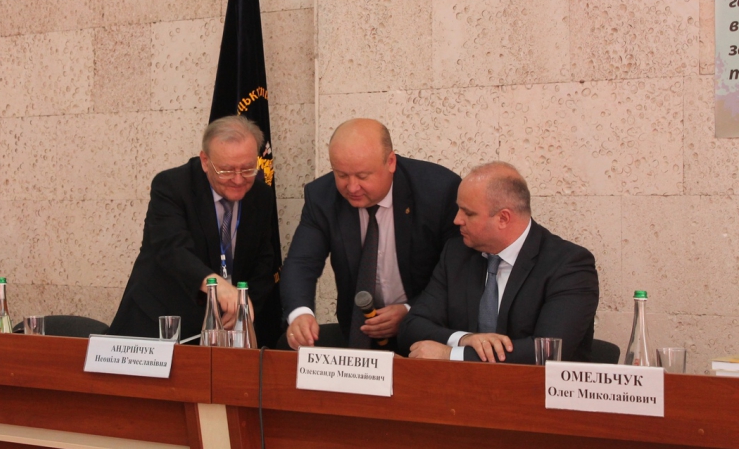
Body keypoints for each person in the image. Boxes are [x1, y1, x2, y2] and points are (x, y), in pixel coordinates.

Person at [280, 118, 461, 351]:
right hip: (359, 333)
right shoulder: (322, 197)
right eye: (341, 175)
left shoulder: (439, 191)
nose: (352, 187)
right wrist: (300, 313)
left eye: (363, 176)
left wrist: (411, 310)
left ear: (391, 162)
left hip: (427, 333)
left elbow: (457, 274)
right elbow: (301, 262)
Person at [399, 162, 599, 363]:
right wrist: (464, 339)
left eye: (468, 213)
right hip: (458, 383)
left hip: (532, 383)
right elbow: (412, 326)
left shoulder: (569, 265)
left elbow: (547, 352)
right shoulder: (456, 254)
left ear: (503, 218)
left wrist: (451, 354)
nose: (457, 220)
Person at [108, 116, 276, 340]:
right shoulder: (172, 186)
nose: (238, 180)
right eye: (226, 171)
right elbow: (172, 249)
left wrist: (244, 303)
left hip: (225, 328)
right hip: (159, 322)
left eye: (247, 169)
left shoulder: (261, 195)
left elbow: (264, 261)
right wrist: (218, 287)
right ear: (205, 161)